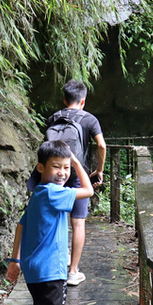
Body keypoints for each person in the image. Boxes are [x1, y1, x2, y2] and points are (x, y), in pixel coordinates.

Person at [6, 140, 94, 305]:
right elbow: (89, 190)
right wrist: (77, 162)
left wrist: (14, 261)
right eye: (57, 166)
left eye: (66, 167)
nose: (63, 172)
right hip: (52, 272)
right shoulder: (55, 192)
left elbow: (20, 226)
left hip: (33, 271)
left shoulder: (38, 194)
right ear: (41, 167)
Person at [45, 80, 106, 286]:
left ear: (64, 100)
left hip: (56, 174)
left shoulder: (53, 118)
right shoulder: (89, 119)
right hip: (79, 174)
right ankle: (73, 272)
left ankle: (58, 263)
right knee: (78, 222)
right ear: (83, 101)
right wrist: (99, 170)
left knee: (58, 218)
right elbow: (101, 145)